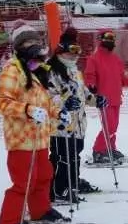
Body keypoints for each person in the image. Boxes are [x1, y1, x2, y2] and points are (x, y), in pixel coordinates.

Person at [0, 24, 69, 224]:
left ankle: (40, 209)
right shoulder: (12, 70)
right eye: (28, 43)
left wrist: (57, 112)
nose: (33, 46)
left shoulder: (36, 70)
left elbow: (43, 103)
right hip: (21, 139)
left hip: (40, 138)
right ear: (19, 47)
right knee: (23, 182)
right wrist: (27, 110)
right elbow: (2, 103)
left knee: (44, 176)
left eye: (36, 42)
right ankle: (10, 222)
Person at [45, 28, 105, 203]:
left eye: (78, 50)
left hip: (78, 124)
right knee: (62, 157)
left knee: (74, 155)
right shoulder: (51, 71)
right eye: (72, 50)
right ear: (61, 50)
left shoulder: (74, 71)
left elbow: (83, 93)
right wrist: (64, 103)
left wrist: (95, 100)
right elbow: (47, 96)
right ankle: (58, 189)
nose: (75, 55)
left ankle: (72, 183)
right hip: (60, 125)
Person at [84, 31, 128, 164]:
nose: (111, 40)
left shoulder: (115, 59)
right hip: (103, 99)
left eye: (112, 37)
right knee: (109, 126)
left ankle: (110, 148)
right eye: (108, 37)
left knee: (114, 126)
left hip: (116, 98)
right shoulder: (94, 59)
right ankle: (98, 150)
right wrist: (91, 86)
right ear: (100, 39)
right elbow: (90, 75)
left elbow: (122, 79)